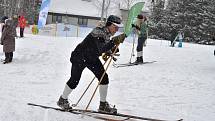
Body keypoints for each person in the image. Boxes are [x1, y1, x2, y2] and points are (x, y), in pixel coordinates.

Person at [57, 15, 126, 113]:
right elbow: (101, 48)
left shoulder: (107, 34)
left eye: (118, 28)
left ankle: (103, 105)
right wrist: (114, 41)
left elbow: (105, 47)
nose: (117, 29)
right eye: (115, 27)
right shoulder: (98, 31)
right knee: (74, 80)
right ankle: (62, 100)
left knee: (104, 77)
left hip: (91, 58)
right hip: (80, 56)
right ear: (109, 25)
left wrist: (112, 49)